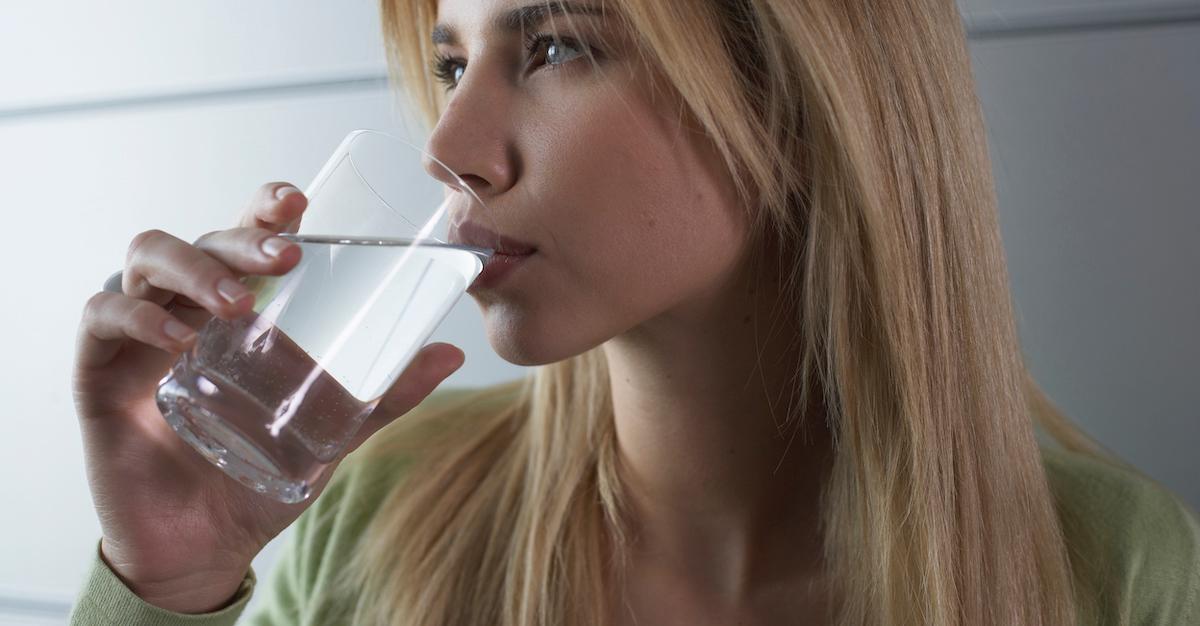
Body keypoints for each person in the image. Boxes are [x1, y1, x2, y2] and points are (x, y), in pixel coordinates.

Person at [69, 0, 1199, 624]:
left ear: (800, 107)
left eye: (557, 46)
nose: (451, 147)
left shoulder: (1110, 568)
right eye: (451, 61)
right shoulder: (372, 514)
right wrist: (165, 583)